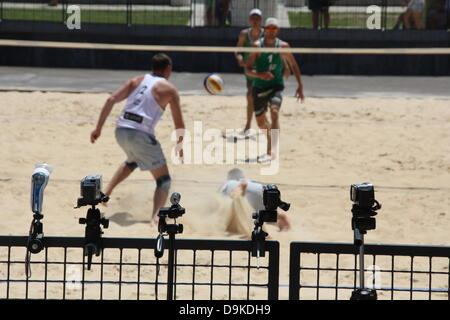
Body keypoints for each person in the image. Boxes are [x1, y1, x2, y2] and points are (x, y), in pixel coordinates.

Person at [90, 53, 185, 227]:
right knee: (164, 180)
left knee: (133, 160)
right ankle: (156, 218)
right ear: (168, 69)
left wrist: (98, 129)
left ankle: (105, 193)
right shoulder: (169, 89)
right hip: (140, 133)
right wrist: (180, 145)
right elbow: (178, 122)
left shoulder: (137, 80)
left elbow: (111, 99)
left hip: (121, 130)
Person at [245, 18, 305, 161]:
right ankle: (270, 136)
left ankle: (272, 149)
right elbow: (247, 69)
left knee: (274, 112)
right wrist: (260, 74)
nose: (271, 31)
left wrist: (300, 86)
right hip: (259, 86)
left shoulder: (283, 46)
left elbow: (294, 65)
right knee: (261, 122)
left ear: (277, 30)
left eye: (274, 29)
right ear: (265, 29)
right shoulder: (257, 46)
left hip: (276, 86)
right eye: (269, 28)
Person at [220, 168, 291, 231]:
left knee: (231, 212)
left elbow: (219, 198)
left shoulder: (229, 183)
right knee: (265, 216)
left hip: (242, 194)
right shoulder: (249, 181)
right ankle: (280, 221)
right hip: (260, 191)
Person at [235, 8, 264, 134]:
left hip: (263, 69)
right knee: (251, 96)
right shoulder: (244, 34)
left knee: (251, 95)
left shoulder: (266, 34)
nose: (255, 21)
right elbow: (238, 50)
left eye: (257, 18)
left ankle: (250, 124)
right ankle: (249, 124)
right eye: (253, 18)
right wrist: (240, 57)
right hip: (249, 69)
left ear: (261, 20)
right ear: (249, 20)